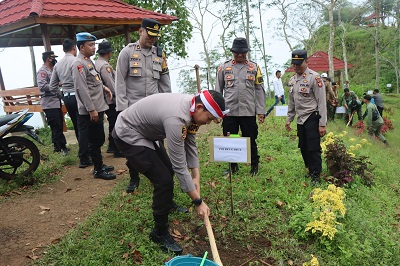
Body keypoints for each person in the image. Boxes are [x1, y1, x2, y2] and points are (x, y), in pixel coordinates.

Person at [112, 90, 227, 254]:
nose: (208, 123)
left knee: (167, 170)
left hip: (147, 133)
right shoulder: (177, 119)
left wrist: (196, 175)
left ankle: (166, 202)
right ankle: (159, 232)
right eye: (208, 118)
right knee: (163, 180)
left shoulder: (193, 108)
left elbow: (190, 142)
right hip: (128, 132)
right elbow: (179, 164)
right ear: (200, 107)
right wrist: (198, 202)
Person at [115, 18, 171, 192]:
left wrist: (167, 106)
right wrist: (123, 110)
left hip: (153, 111)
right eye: (149, 34)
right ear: (140, 31)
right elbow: (120, 82)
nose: (152, 39)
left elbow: (165, 83)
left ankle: (157, 172)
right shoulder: (127, 52)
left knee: (157, 142)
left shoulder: (159, 54)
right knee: (134, 144)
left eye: (155, 36)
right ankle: (134, 177)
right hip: (132, 109)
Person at [215, 37, 266, 176]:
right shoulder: (224, 67)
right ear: (232, 52)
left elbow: (259, 90)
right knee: (231, 139)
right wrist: (217, 111)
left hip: (248, 111)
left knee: (250, 139)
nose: (239, 55)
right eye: (236, 52)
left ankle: (254, 165)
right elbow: (218, 90)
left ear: (246, 52)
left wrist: (261, 111)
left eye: (242, 53)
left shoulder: (254, 67)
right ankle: (233, 166)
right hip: (229, 111)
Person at [71, 32, 115, 180]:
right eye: (90, 45)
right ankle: (98, 169)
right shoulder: (78, 64)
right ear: (81, 47)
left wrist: (104, 88)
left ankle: (100, 164)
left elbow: (94, 81)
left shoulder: (88, 61)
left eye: (94, 45)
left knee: (98, 138)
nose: (94, 48)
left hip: (98, 106)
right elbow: (81, 89)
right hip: (91, 109)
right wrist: (91, 109)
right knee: (95, 140)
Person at [285, 50, 327, 185]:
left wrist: (322, 124)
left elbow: (322, 102)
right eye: (294, 64)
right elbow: (292, 102)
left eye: (299, 64)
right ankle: (309, 168)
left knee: (313, 147)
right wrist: (289, 118)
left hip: (312, 116)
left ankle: (316, 174)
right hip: (300, 118)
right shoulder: (292, 80)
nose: (296, 67)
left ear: (306, 62)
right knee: (303, 146)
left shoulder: (314, 78)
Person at [95, 40, 122, 158]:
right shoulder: (105, 66)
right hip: (110, 99)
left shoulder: (96, 63)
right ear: (109, 52)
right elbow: (110, 84)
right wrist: (119, 96)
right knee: (115, 123)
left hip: (102, 99)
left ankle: (112, 146)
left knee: (112, 122)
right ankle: (117, 149)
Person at [37, 51, 68, 156]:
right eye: (52, 58)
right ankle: (62, 147)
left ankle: (57, 147)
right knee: (56, 125)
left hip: (56, 102)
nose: (54, 60)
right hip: (49, 103)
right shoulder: (42, 71)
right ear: (48, 59)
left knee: (57, 125)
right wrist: (54, 86)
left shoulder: (53, 70)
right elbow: (42, 86)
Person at [49, 39, 80, 143]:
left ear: (63, 49)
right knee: (84, 124)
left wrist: (61, 96)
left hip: (67, 97)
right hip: (79, 97)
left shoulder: (58, 65)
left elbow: (52, 86)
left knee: (76, 124)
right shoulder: (76, 61)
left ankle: (82, 146)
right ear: (74, 48)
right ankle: (87, 150)